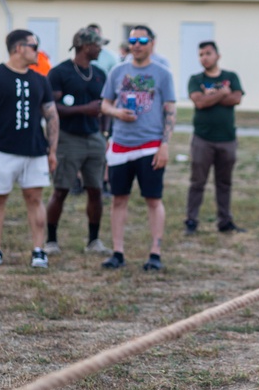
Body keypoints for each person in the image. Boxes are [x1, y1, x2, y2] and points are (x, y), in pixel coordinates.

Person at [0, 29, 59, 269]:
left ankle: (39, 250)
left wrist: (52, 151)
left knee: (35, 198)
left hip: (35, 151)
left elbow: (52, 116)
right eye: (34, 46)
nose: (37, 51)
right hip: (1, 150)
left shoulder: (40, 79)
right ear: (19, 48)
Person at [99, 25, 176, 271]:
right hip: (121, 145)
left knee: (153, 199)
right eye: (133, 40)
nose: (137, 44)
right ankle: (117, 252)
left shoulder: (163, 73)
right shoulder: (118, 71)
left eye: (142, 40)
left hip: (150, 145)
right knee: (118, 199)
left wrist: (164, 145)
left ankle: (155, 252)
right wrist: (116, 112)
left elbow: (170, 111)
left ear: (152, 43)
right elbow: (105, 104)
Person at [44, 27, 110, 254]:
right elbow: (51, 108)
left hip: (94, 138)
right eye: (97, 44)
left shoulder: (100, 73)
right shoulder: (60, 72)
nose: (101, 48)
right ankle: (51, 240)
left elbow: (105, 106)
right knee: (61, 190)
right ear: (85, 46)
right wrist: (84, 109)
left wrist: (105, 134)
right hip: (67, 138)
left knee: (95, 190)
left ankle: (94, 241)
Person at [184, 41, 244, 235]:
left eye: (208, 53)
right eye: (201, 54)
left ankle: (224, 221)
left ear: (217, 55)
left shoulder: (231, 76)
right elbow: (200, 103)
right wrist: (222, 93)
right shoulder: (195, 79)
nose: (204, 57)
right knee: (197, 182)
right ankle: (191, 221)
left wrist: (211, 95)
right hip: (203, 139)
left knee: (224, 183)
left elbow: (236, 98)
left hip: (227, 139)